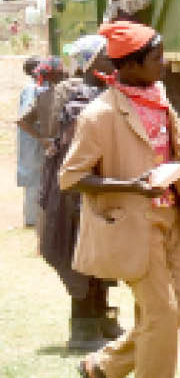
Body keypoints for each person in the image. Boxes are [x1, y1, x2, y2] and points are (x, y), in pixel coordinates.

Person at [61, 20, 180, 378]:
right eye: (157, 57)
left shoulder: (159, 96)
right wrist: (131, 187)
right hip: (133, 226)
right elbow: (71, 177)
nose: (165, 63)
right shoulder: (99, 115)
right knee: (161, 316)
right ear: (131, 65)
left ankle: (103, 366)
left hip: (174, 217)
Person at [42, 36, 120, 352]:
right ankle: (83, 330)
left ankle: (102, 318)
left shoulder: (99, 95)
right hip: (78, 196)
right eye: (106, 57)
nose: (113, 62)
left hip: (95, 191)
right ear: (90, 63)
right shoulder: (81, 102)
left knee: (100, 258)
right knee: (82, 259)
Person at [15, 56, 46, 228]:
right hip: (33, 138)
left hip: (35, 137)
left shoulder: (39, 87)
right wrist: (40, 136)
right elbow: (25, 117)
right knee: (34, 177)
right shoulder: (32, 89)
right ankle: (32, 220)